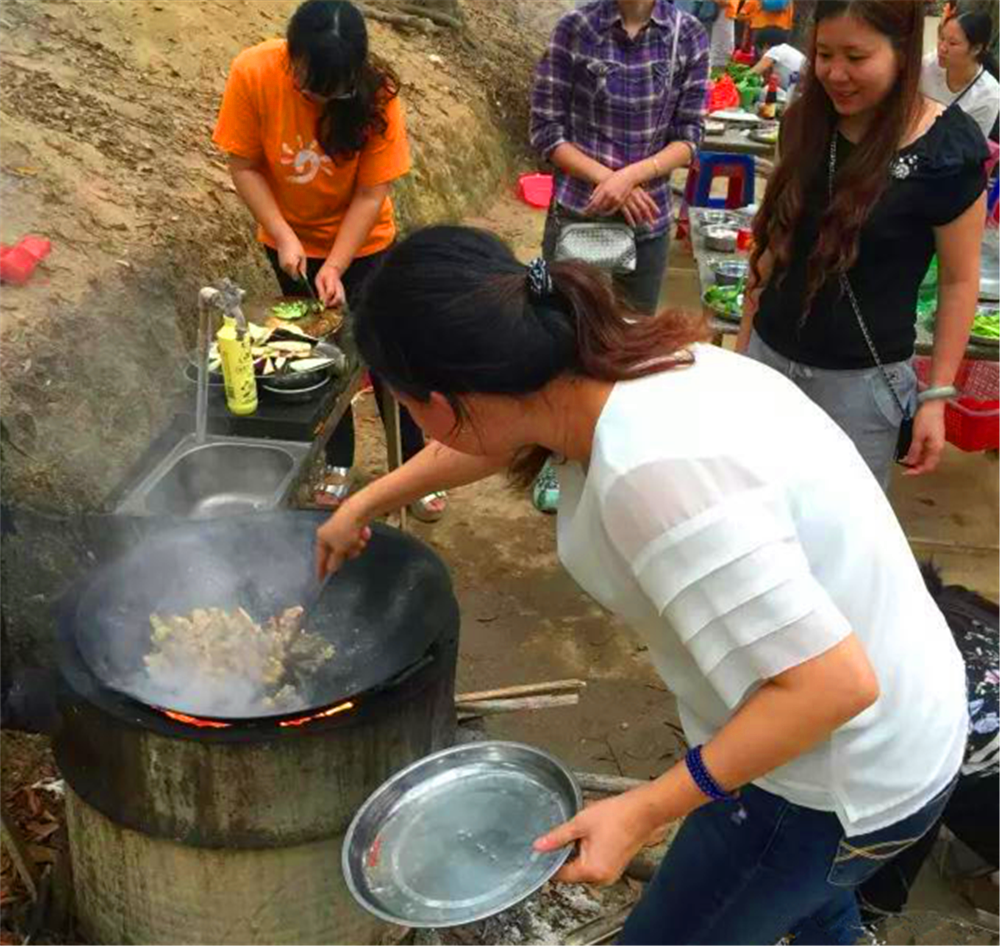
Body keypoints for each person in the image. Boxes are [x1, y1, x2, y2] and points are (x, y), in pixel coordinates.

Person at [315, 224, 968, 945]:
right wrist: (364, 504)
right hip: (908, 705)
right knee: (809, 899)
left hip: (837, 774)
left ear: (437, 401)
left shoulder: (654, 475)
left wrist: (643, 809)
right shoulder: (601, 356)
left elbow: (833, 686)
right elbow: (487, 432)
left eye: (405, 404)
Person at [738, 0, 988, 492]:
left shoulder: (947, 151)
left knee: (838, 538)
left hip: (862, 388)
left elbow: (960, 282)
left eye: (856, 57)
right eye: (825, 54)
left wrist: (936, 397)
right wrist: (745, 351)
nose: (835, 74)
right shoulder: (805, 121)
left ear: (902, 51)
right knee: (756, 514)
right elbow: (773, 244)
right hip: (770, 360)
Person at [212, 0, 446, 522]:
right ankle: (337, 462)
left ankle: (412, 464)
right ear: (290, 56)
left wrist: (336, 264)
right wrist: (284, 236)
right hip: (289, 240)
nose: (318, 98)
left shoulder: (379, 96)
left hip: (363, 244)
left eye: (331, 90)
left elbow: (371, 194)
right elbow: (244, 165)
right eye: (308, 86)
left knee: (388, 354)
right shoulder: (253, 72)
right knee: (317, 357)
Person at [529, 0, 709, 512]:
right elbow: (546, 131)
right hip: (577, 216)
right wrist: (606, 179)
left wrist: (632, 176)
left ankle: (614, 455)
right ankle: (556, 457)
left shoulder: (687, 34)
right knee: (564, 336)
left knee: (631, 341)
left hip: (645, 219)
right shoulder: (576, 29)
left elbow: (690, 137)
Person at [853, 565, 999, 929]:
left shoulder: (943, 696)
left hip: (967, 756)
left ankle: (864, 917)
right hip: (967, 754)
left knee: (909, 807)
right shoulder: (955, 604)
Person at [921, 12, 1000, 141]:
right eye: (941, 38)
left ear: (976, 49)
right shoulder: (929, 64)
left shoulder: (989, 95)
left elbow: (971, 148)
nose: (942, 48)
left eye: (952, 43)